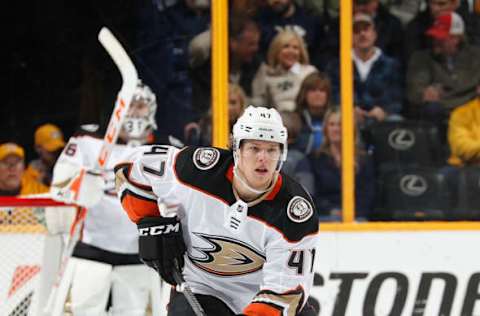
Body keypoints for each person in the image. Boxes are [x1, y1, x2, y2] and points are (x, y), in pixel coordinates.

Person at [115, 106, 319, 315]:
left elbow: (286, 293)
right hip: (201, 288)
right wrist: (149, 221)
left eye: (271, 150)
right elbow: (130, 167)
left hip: (259, 296)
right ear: (237, 149)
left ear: (282, 154)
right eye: (254, 148)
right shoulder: (197, 171)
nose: (263, 158)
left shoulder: (295, 212)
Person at [50, 81, 163, 315]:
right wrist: (81, 183)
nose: (134, 112)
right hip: (89, 251)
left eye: (140, 106)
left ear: (151, 110)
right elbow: (59, 188)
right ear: (118, 106)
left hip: (139, 256)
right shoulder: (87, 139)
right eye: (129, 105)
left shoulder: (164, 150)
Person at [406, 11, 480, 141]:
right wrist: (423, 93)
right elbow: (414, 90)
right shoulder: (421, 58)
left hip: (471, 112)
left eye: (441, 37)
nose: (436, 41)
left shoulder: (476, 57)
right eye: (435, 36)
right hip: (440, 111)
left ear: (456, 39)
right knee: (432, 109)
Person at [326, 13, 403, 129]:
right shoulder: (337, 65)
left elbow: (398, 96)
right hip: (348, 120)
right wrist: (349, 110)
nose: (362, 34)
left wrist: (384, 110)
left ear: (374, 34)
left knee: (396, 121)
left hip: (382, 120)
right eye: (356, 31)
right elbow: (333, 93)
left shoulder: (391, 65)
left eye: (366, 29)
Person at [309, 107, 375, 221]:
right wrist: (331, 210)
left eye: (340, 125)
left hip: (356, 217)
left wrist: (351, 213)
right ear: (326, 129)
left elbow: (368, 194)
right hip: (325, 216)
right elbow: (312, 194)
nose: (336, 129)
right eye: (332, 124)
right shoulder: (315, 159)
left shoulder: (364, 160)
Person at [252, 29, 318, 112]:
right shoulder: (265, 74)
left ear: (301, 52)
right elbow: (258, 104)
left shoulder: (310, 72)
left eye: (295, 48)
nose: (291, 51)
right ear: (276, 50)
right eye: (286, 46)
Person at [0, 142, 49, 224]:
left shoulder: (40, 191)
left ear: (23, 167)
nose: (12, 168)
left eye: (17, 162)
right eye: (6, 162)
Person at [295, 71, 332, 155]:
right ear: (304, 94)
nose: (317, 94)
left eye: (322, 90)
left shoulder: (336, 119)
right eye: (313, 90)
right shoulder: (295, 119)